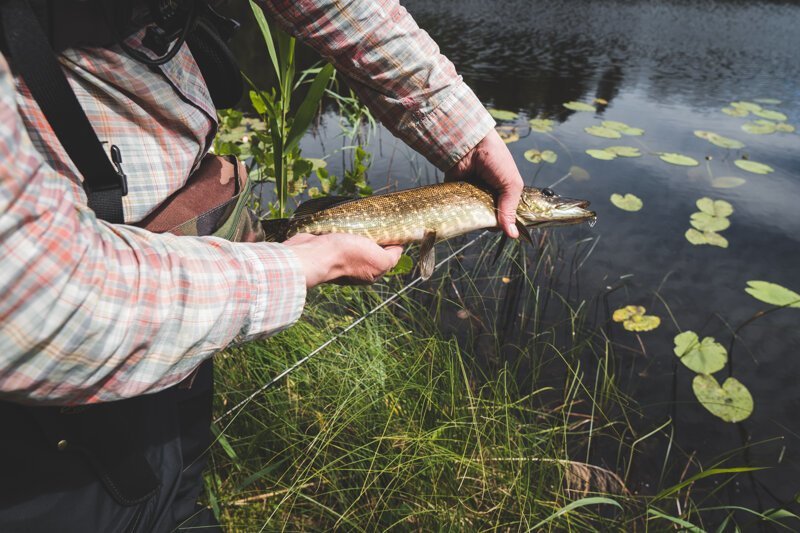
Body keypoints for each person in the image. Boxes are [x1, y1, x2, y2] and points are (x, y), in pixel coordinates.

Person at [0, 0, 524, 530]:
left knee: (176, 493)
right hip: (54, 396)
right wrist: (295, 267)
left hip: (183, 313)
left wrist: (464, 132)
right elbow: (36, 301)